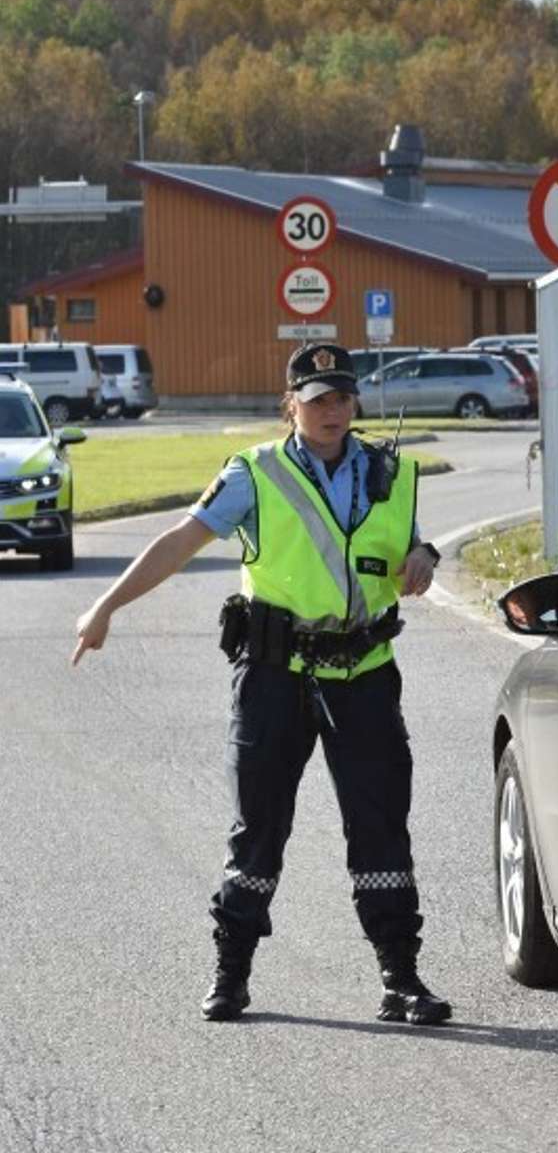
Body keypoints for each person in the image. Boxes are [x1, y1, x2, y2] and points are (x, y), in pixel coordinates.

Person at [72, 343, 451, 1026]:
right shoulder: (256, 473)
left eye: (341, 398)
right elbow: (178, 541)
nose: (332, 412)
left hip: (363, 675)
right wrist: (107, 607)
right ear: (291, 406)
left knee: (380, 826)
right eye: (317, 401)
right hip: (276, 675)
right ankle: (231, 974)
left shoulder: (390, 471)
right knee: (258, 830)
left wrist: (424, 556)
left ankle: (401, 979)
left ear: (355, 401)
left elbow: (407, 543)